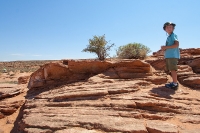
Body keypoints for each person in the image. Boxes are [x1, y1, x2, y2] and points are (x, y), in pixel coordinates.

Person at [161, 22, 180, 90]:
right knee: (171, 69)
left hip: (173, 55)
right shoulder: (169, 37)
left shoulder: (173, 35)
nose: (169, 28)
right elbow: (169, 47)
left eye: (171, 27)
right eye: (167, 27)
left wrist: (166, 47)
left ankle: (175, 84)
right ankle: (174, 83)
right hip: (169, 56)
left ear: (173, 28)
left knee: (173, 69)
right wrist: (164, 48)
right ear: (165, 29)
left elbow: (176, 45)